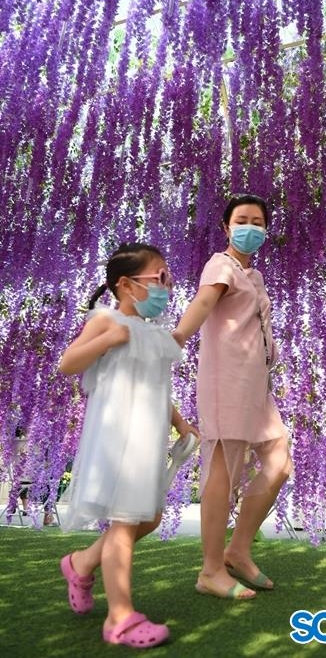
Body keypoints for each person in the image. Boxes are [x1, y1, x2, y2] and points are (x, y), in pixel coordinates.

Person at [59, 242, 198, 649]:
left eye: (168, 279)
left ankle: (81, 563)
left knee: (148, 519)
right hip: (117, 437)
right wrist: (107, 340)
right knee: (124, 524)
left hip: (146, 440)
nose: (166, 287)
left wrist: (180, 422)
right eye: (159, 278)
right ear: (126, 284)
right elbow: (68, 363)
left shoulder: (153, 334)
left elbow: (154, 388)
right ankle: (119, 618)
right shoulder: (107, 320)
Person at [173, 194, 293, 600]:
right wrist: (177, 337)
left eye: (258, 222)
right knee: (223, 471)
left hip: (256, 385)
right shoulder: (220, 265)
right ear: (226, 227)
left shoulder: (253, 275)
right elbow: (204, 302)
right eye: (242, 220)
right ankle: (210, 571)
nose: (250, 228)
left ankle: (238, 550)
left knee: (279, 461)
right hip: (227, 380)